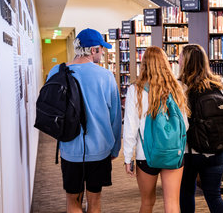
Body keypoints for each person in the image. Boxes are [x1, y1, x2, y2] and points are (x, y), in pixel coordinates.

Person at [46, 28, 122, 213]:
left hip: (70, 149)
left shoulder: (57, 71)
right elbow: (115, 117)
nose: (103, 53)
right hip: (100, 150)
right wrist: (115, 148)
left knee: (73, 202)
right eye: (101, 49)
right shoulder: (106, 76)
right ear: (93, 50)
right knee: (94, 202)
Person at [123, 46, 189, 213]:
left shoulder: (135, 90)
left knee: (147, 202)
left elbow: (131, 128)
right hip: (174, 153)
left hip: (146, 155)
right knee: (173, 203)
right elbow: (185, 125)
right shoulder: (178, 87)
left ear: (143, 64)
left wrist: (127, 157)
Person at [178, 44, 223, 213]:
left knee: (186, 193)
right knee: (214, 196)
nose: (178, 60)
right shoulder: (217, 86)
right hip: (217, 150)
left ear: (185, 62)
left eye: (180, 57)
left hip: (191, 153)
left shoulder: (181, 87)